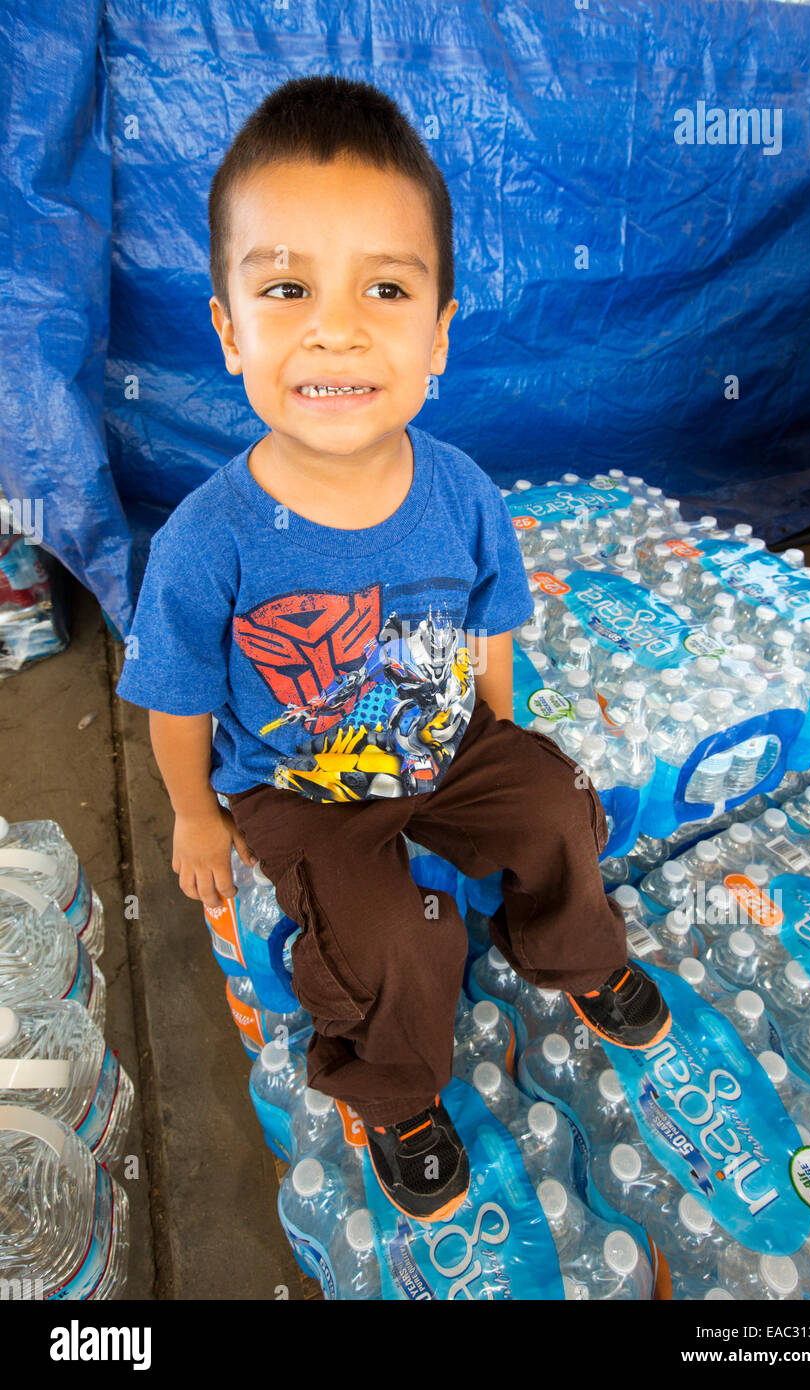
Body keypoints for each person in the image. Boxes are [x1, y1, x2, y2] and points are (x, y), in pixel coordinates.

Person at [115, 73, 671, 1226]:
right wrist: (192, 816)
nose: (336, 326)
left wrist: (500, 735)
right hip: (296, 781)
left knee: (555, 801)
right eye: (284, 286)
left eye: (383, 287)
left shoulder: (460, 488)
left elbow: (488, 618)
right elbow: (174, 701)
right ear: (226, 328)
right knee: (389, 941)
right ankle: (394, 1089)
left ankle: (568, 950)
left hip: (439, 735)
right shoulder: (205, 540)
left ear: (438, 333)